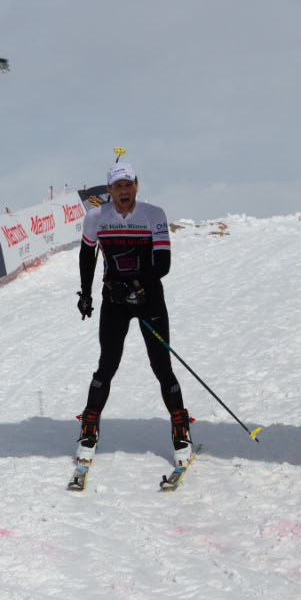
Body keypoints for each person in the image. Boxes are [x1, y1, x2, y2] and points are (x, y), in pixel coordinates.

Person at [75, 161, 191, 462]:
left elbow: (163, 264)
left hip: (148, 297)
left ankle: (181, 430)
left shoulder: (154, 215)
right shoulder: (96, 217)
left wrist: (135, 286)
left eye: (128, 185)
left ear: (136, 186)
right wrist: (85, 294)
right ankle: (89, 429)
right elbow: (87, 256)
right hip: (114, 300)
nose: (124, 191)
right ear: (110, 190)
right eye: (118, 186)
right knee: (107, 364)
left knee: (161, 365)